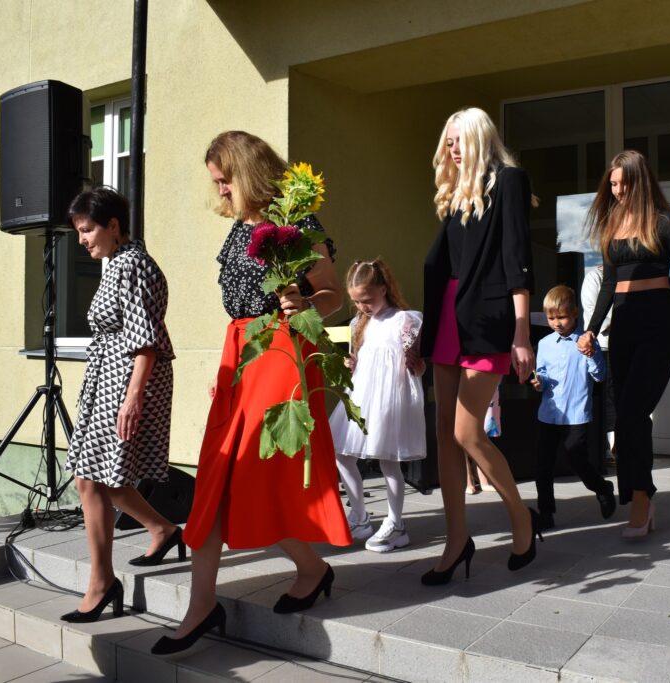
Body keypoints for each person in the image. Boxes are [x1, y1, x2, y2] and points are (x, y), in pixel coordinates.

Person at [151, 131, 350, 655]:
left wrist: (302, 303)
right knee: (217, 478)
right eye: (216, 182)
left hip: (280, 350)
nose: (219, 191)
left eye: (225, 180)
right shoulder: (238, 229)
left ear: (249, 172)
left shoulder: (296, 221)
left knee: (250, 475)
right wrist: (228, 367)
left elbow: (332, 295)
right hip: (239, 352)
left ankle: (308, 569)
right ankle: (206, 602)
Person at [420, 107, 539, 584]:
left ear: (479, 139)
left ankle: (521, 518)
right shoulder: (454, 192)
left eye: (458, 140)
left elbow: (517, 258)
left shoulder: (509, 181)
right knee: (444, 437)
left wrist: (521, 332)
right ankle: (456, 540)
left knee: (468, 432)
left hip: (488, 320)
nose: (451, 149)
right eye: (447, 141)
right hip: (447, 318)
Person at [578, 150, 670, 537]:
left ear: (640, 181)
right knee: (626, 415)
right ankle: (641, 494)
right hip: (623, 326)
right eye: (612, 184)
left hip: (658, 323)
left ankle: (640, 497)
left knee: (634, 411)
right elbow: (608, 284)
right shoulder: (612, 224)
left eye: (623, 183)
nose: (617, 191)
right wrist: (591, 328)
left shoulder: (666, 221)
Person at [61, 187, 179, 623]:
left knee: (94, 479)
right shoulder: (118, 262)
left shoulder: (133, 265)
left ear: (113, 226)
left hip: (127, 381)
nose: (82, 240)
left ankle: (102, 583)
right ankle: (161, 530)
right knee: (96, 478)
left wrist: (132, 398)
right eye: (79, 231)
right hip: (109, 380)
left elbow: (146, 340)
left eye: (87, 230)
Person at [329, 258, 426, 552]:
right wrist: (351, 363)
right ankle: (359, 516)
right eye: (357, 302)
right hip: (361, 395)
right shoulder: (360, 323)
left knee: (388, 460)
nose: (362, 307)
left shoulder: (405, 320)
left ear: (383, 289)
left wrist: (416, 364)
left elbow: (419, 367)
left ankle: (396, 524)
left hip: (389, 399)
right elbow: (362, 360)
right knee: (341, 453)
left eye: (367, 300)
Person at [530, 285, 615, 530]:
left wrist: (591, 354)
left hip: (576, 414)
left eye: (562, 317)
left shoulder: (586, 341)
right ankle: (546, 512)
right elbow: (543, 374)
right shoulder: (545, 343)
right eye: (551, 318)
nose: (556, 323)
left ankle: (602, 488)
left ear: (575, 313)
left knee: (577, 460)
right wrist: (539, 382)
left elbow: (599, 376)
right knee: (543, 466)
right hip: (549, 414)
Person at [581, 264, 616, 471]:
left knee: (619, 399)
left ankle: (616, 447)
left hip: (624, 346)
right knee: (605, 399)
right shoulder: (594, 277)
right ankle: (603, 449)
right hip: (602, 347)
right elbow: (595, 313)